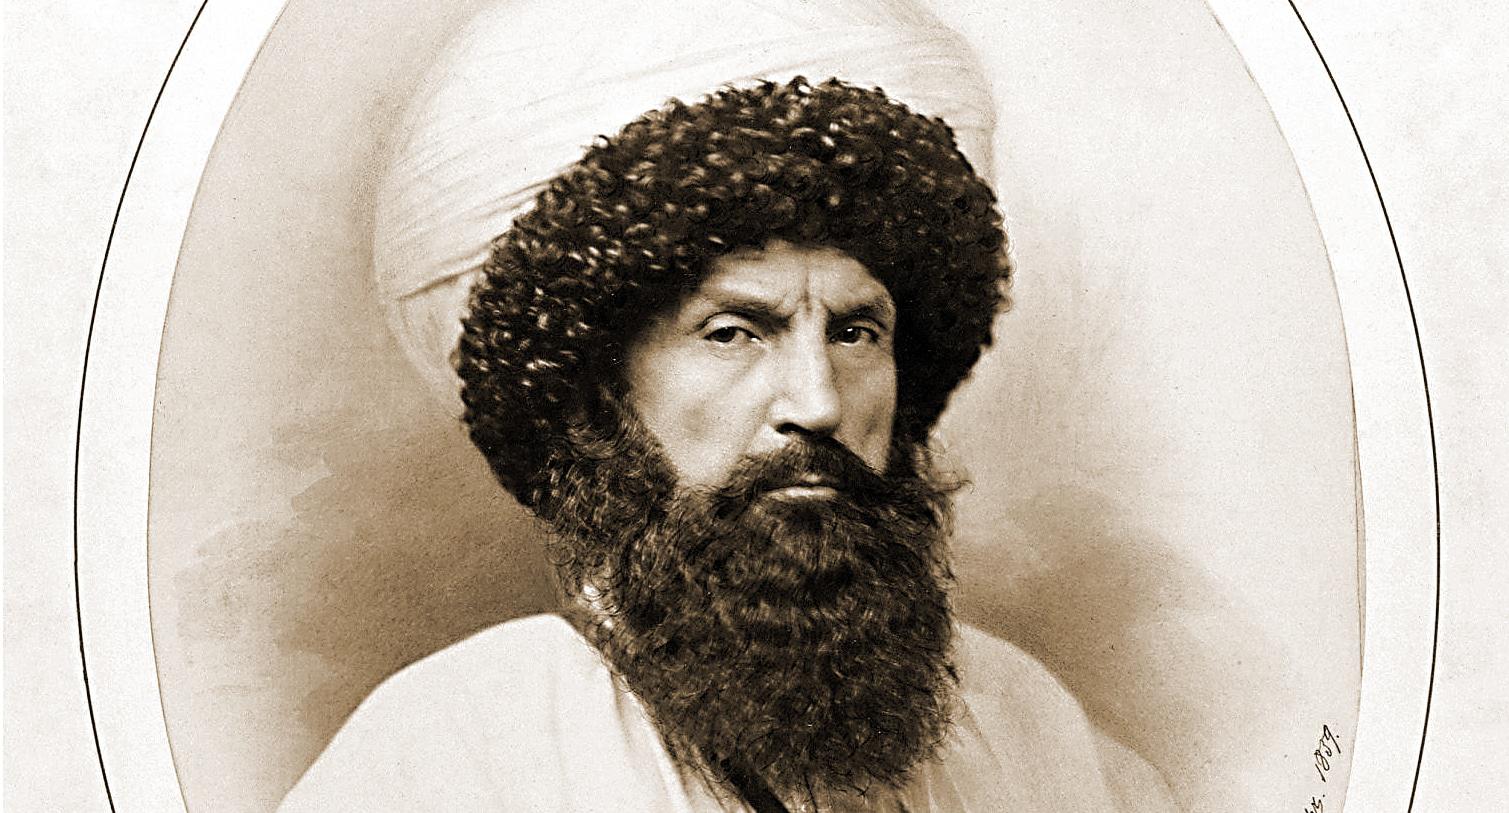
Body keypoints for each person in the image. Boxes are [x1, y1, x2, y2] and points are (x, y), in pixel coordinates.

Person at [280, 75, 1176, 811]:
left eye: (855, 332)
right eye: (734, 332)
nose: (817, 403)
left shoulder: (1024, 721)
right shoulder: (460, 742)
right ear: (606, 392)